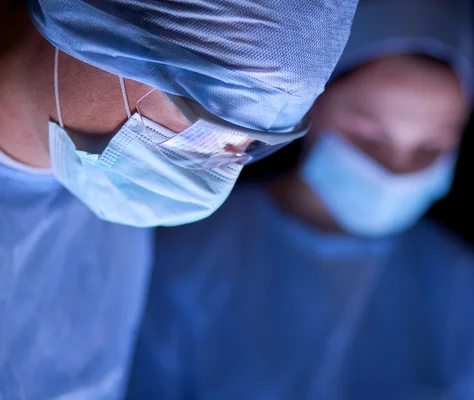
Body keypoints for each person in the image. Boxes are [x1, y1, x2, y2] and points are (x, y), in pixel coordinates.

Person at [127, 0, 474, 399]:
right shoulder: (186, 256)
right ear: (314, 105)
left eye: (430, 147)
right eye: (368, 136)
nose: (393, 171)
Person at [0, 0, 357, 398]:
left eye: (258, 139)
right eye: (208, 123)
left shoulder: (109, 205)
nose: (221, 165)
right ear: (90, 27)